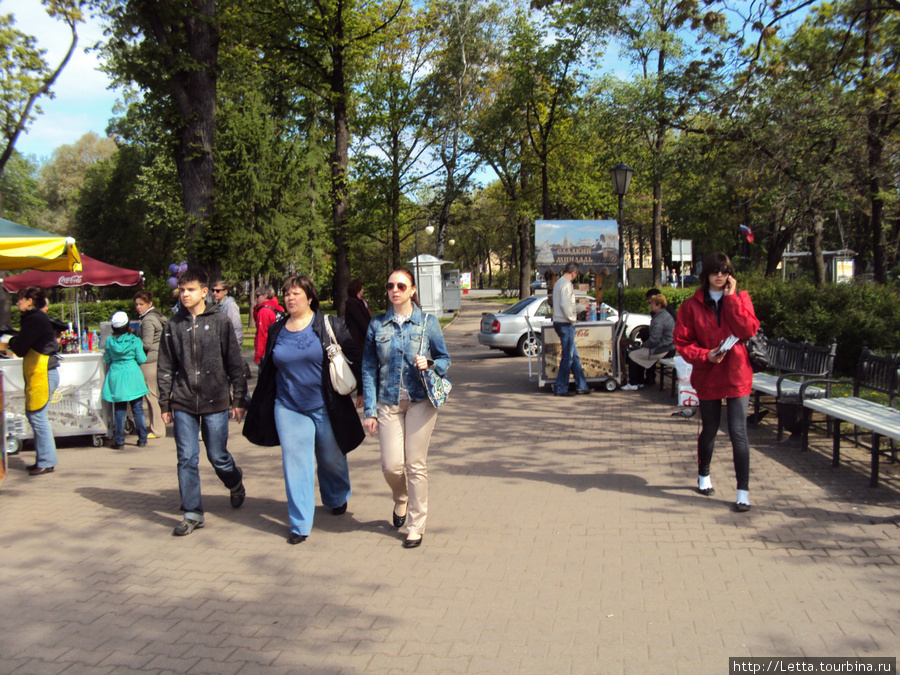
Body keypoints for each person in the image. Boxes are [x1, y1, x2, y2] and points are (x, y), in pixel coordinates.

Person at [244, 276, 364, 545]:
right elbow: (267, 367)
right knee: (296, 463)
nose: (290, 298)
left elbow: (355, 356)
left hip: (326, 405)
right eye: (287, 294)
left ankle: (336, 496)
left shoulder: (328, 324)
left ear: (310, 297)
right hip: (288, 407)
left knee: (331, 458)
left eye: (296, 293)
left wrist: (364, 393)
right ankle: (300, 523)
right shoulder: (277, 329)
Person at [361, 268, 450, 549]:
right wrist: (370, 410)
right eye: (390, 286)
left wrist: (432, 364)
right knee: (391, 466)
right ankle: (401, 498)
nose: (395, 290)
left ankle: (416, 525)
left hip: (420, 401)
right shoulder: (377, 325)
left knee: (415, 464)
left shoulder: (427, 323)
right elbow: (368, 368)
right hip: (388, 403)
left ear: (412, 290)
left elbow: (444, 358)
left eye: (401, 285)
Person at [158, 269, 248, 536]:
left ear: (204, 292)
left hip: (216, 399)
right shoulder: (173, 325)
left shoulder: (220, 322)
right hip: (183, 401)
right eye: (182, 290)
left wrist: (239, 397)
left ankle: (235, 482)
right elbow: (165, 366)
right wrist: (165, 402)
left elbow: (234, 362)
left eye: (191, 290)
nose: (185, 294)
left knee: (217, 456)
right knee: (186, 458)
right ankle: (192, 512)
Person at [673, 252, 760, 512]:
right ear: (705, 275)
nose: (720, 276)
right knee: (710, 428)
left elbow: (748, 330)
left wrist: (732, 301)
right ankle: (704, 474)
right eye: (715, 272)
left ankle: (742, 491)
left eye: (724, 271)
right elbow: (683, 341)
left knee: (738, 433)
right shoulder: (691, 305)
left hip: (736, 373)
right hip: (709, 373)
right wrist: (705, 355)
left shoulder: (741, 297)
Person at [3, 288, 60, 476]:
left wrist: (8, 342)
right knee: (36, 417)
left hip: (43, 373)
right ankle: (44, 460)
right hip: (41, 373)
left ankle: (46, 461)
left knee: (38, 417)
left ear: (30, 301)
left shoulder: (34, 320)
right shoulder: (35, 319)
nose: (16, 303)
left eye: (19, 299)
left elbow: (20, 347)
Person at [102, 311, 149, 449]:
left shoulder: (110, 341)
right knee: (138, 409)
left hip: (117, 375)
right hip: (133, 374)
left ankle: (119, 441)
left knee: (120, 410)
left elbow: (108, 359)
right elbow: (142, 359)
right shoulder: (135, 340)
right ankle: (142, 439)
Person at [552, 262, 590, 397]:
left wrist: (579, 309)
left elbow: (565, 304)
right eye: (575, 275)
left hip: (559, 321)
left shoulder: (559, 283)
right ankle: (561, 388)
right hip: (565, 323)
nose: (575, 278)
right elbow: (566, 305)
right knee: (568, 357)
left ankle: (582, 385)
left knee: (574, 356)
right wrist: (572, 318)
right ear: (573, 273)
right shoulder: (567, 285)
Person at [623, 294, 675, 390]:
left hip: (662, 349)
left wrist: (644, 346)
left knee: (632, 355)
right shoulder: (666, 315)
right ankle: (640, 382)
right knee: (638, 354)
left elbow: (654, 339)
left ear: (659, 306)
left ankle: (633, 383)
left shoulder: (659, 319)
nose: (651, 305)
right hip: (669, 347)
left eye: (653, 304)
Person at [134, 290, 167, 439]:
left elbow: (146, 343)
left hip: (150, 361)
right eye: (136, 304)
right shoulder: (157, 316)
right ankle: (158, 427)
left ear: (149, 304)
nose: (138, 307)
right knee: (156, 395)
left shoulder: (148, 320)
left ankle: (158, 429)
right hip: (158, 359)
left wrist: (133, 344)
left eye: (141, 304)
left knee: (152, 396)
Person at [253, 284, 284, 365]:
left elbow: (262, 334)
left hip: (267, 351)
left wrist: (258, 356)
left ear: (265, 295)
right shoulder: (277, 308)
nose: (256, 299)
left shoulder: (264, 311)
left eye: (258, 295)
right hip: (277, 348)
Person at [212, 280, 243, 347]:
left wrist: (236, 346)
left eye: (217, 291)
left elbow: (236, 326)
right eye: (213, 290)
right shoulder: (217, 306)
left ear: (225, 291)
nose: (214, 293)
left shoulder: (230, 305)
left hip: (230, 346)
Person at [344, 279, 371, 355]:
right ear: (357, 289)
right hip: (357, 336)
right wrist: (368, 332)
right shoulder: (352, 302)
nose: (363, 290)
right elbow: (360, 320)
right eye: (361, 288)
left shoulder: (360, 301)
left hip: (362, 336)